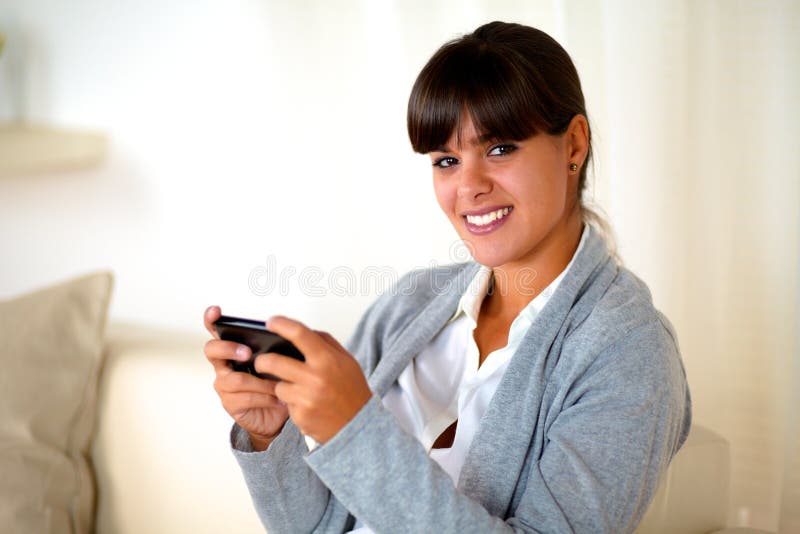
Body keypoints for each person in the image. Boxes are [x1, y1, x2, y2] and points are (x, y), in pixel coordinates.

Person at [203, 21, 691, 533]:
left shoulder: (628, 350)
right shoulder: (410, 304)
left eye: (500, 148)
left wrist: (355, 430)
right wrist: (270, 436)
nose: (469, 187)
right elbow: (319, 526)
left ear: (573, 145)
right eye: (447, 161)